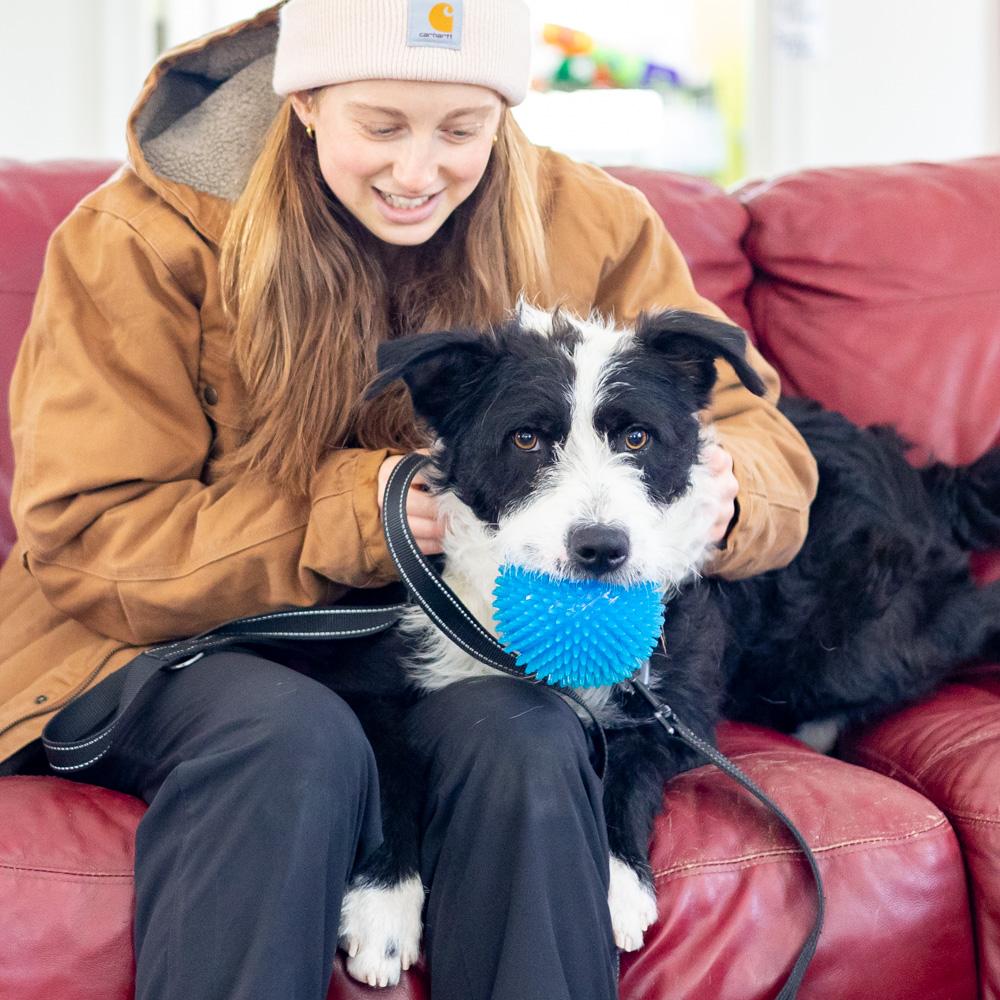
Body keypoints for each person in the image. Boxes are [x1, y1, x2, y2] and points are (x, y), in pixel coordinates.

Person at [0, 1, 819, 998]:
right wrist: (372, 511)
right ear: (301, 102)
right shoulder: (136, 238)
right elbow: (89, 536)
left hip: (424, 645)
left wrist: (726, 495)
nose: (418, 170)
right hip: (156, 640)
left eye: (462, 131)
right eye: (379, 126)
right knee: (292, 733)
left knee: (525, 733)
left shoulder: (593, 223)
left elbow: (756, 433)